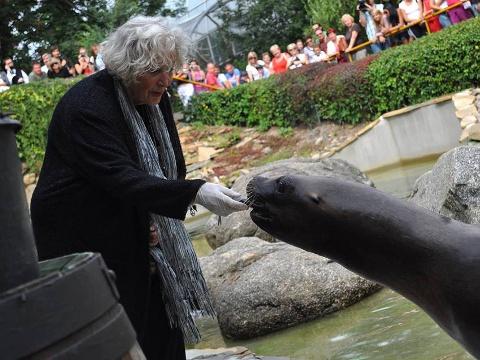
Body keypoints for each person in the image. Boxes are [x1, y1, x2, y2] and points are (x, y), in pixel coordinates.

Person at [30, 16, 247, 360]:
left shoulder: (154, 98)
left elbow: (171, 165)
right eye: (157, 69)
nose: (167, 79)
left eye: (170, 68)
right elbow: (122, 178)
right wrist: (195, 192)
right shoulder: (86, 107)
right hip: (83, 238)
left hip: (133, 225)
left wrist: (162, 211)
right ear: (130, 67)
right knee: (118, 336)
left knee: (163, 325)